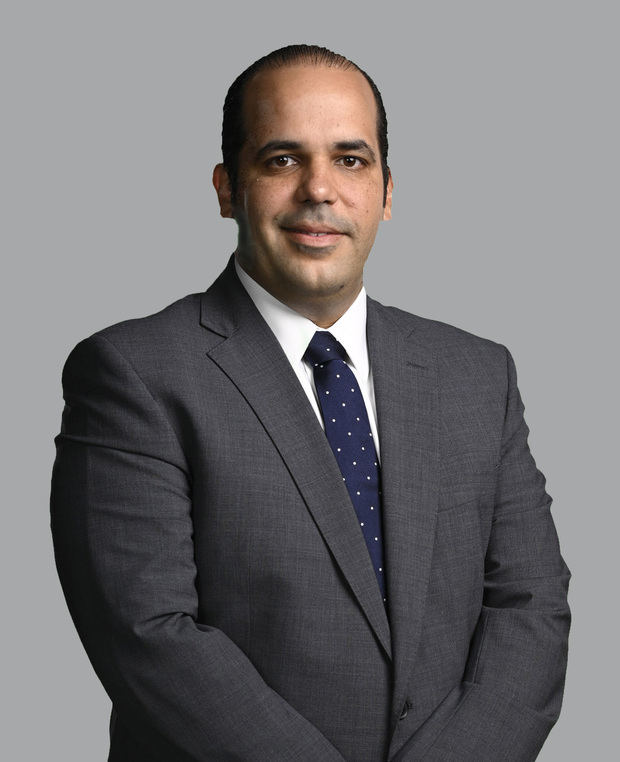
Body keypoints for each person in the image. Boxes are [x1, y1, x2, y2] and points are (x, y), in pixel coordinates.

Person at [51, 45, 570, 762]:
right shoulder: (133, 373)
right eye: (282, 159)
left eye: (350, 160)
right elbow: (149, 635)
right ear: (227, 188)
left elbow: (530, 607)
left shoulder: (477, 375)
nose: (319, 189)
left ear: (387, 192)